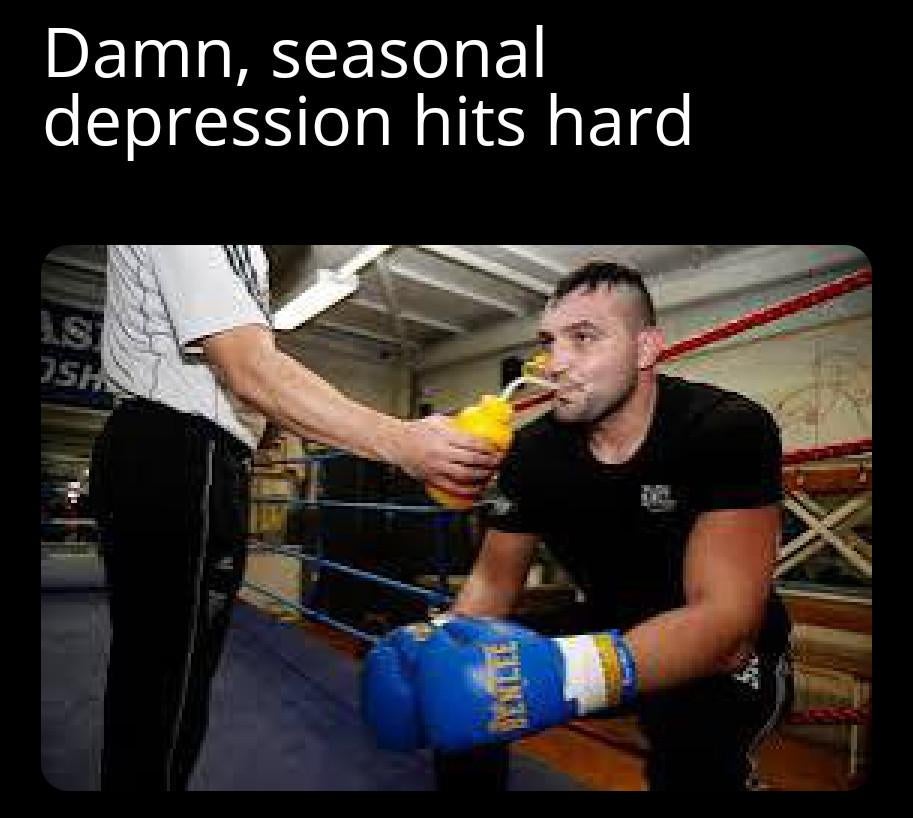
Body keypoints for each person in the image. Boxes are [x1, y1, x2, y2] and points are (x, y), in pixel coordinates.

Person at [362, 261, 794, 791]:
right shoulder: (535, 453)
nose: (555, 364)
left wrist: (574, 675)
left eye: (583, 338)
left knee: (692, 756)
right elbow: (495, 583)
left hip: (727, 650)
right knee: (468, 682)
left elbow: (727, 624)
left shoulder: (724, 428)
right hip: (609, 622)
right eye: (549, 342)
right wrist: (439, 645)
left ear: (645, 349)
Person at [89, 245, 502, 791]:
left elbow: (245, 369)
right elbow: (247, 366)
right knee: (165, 689)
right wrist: (403, 441)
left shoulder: (250, 255)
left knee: (170, 689)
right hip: (179, 453)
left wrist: (259, 427)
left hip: (195, 457)